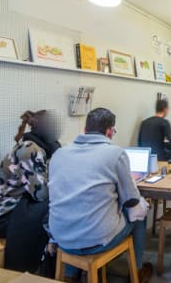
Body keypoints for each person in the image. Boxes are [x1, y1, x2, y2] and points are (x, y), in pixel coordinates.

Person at [49, 108, 152, 282]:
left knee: (77, 214)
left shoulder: (59, 153)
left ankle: (71, 275)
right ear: (110, 131)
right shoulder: (116, 153)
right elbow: (131, 200)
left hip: (61, 236)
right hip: (95, 239)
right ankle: (137, 271)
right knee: (139, 216)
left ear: (84, 130)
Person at [0, 110, 61, 272]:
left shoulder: (35, 146)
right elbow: (41, 194)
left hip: (12, 209)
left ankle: (48, 271)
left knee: (55, 213)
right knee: (54, 213)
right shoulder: (30, 150)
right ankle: (31, 273)